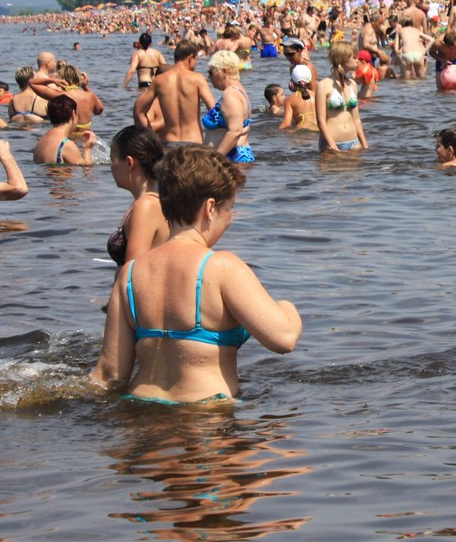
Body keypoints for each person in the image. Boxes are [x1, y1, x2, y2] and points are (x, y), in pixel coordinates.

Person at [91, 146, 302, 404]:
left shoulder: (130, 274)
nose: (231, 218)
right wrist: (287, 309)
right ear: (210, 208)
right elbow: (284, 339)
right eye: (230, 207)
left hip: (142, 410)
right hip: (204, 420)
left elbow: (110, 374)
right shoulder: (222, 267)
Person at [106, 125, 169, 267]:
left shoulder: (146, 206)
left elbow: (133, 273)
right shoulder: (148, 201)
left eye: (112, 160)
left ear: (129, 162)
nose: (110, 167)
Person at [134, 40, 215, 146]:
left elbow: (138, 111)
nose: (196, 64)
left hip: (168, 142)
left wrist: (150, 136)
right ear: (190, 57)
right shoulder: (197, 79)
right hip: (193, 142)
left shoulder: (159, 80)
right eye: (196, 60)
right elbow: (213, 110)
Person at [200, 50, 254, 163]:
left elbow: (235, 131)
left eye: (211, 72)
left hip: (232, 157)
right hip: (235, 155)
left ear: (224, 71)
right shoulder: (239, 90)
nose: (209, 77)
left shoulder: (230, 94)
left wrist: (215, 159)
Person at [317, 41, 367, 152]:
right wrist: (333, 146)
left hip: (354, 143)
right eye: (354, 57)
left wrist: (364, 144)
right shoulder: (323, 85)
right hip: (332, 144)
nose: (357, 60)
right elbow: (321, 121)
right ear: (343, 60)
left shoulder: (352, 84)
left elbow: (356, 119)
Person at [32, 94, 96, 165]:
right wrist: (88, 148)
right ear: (73, 114)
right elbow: (87, 168)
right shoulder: (66, 145)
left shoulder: (41, 141)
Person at [280, 64, 317, 130]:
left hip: (301, 134)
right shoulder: (318, 96)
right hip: (319, 130)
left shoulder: (289, 100)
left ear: (292, 81)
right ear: (310, 80)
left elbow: (286, 124)